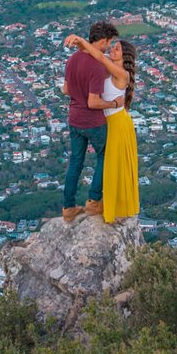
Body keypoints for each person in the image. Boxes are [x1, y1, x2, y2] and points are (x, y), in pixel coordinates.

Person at [62, 30, 140, 223]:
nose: (113, 50)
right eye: (112, 46)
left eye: (117, 49)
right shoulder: (104, 68)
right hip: (103, 120)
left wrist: (80, 41)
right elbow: (93, 55)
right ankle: (95, 201)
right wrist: (81, 46)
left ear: (126, 56)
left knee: (111, 163)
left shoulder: (122, 74)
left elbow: (96, 54)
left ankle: (104, 203)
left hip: (117, 122)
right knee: (106, 161)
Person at [60, 20, 119, 222]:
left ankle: (68, 207)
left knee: (75, 162)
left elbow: (66, 90)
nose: (109, 47)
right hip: (93, 121)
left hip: (74, 119)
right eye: (109, 43)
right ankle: (94, 202)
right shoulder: (97, 66)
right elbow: (93, 102)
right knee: (104, 156)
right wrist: (112, 103)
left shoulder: (73, 59)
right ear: (102, 41)